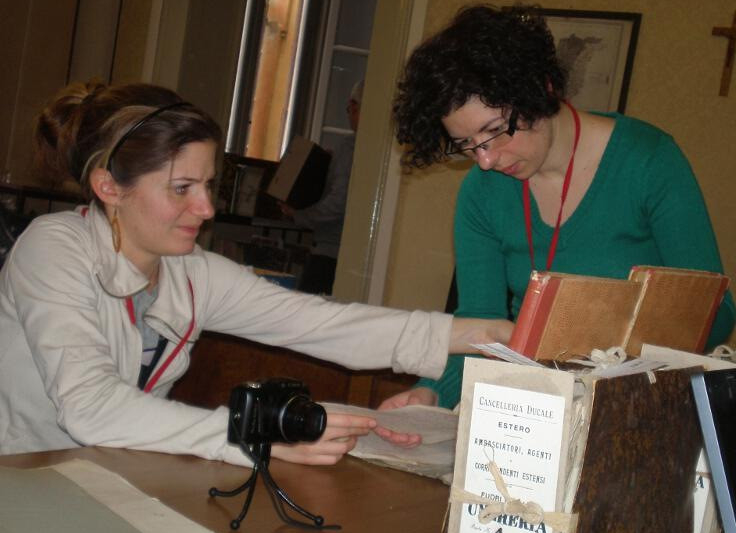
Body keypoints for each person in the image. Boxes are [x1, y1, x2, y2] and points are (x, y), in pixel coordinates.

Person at [0, 80, 513, 465]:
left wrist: (485, 334)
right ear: (109, 187)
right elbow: (91, 408)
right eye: (181, 188)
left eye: (208, 185)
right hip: (21, 483)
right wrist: (254, 434)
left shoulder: (192, 274)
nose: (205, 208)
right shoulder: (53, 247)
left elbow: (322, 324)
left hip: (105, 479)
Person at [378, 3, 736, 443]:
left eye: (494, 131)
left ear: (540, 89)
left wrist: (607, 338)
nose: (486, 160)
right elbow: (480, 322)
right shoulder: (481, 192)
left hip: (638, 418)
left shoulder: (649, 162)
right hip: (533, 418)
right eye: (466, 144)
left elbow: (718, 311)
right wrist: (432, 392)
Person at [279, 81, 363, 294]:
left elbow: (337, 203)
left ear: (354, 106)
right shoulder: (374, 150)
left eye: (349, 109)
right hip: (355, 255)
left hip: (328, 253)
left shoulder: (350, 147)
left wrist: (299, 215)